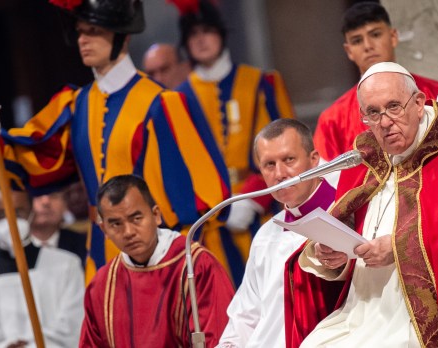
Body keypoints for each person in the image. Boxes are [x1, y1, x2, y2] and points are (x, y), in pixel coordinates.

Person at [286, 62, 438, 347]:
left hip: (422, 311)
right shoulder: (365, 156)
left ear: (418, 103)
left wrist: (397, 248)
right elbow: (346, 222)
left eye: (394, 107)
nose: (385, 122)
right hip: (363, 309)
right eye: (373, 113)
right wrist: (335, 255)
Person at [0, 0, 230, 283]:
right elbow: (34, 159)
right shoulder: (76, 105)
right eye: (80, 31)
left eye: (93, 30)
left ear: (121, 35)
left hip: (159, 259)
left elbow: (204, 195)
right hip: (103, 261)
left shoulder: (162, 103)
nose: (83, 40)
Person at [169, 0, 294, 285]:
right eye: (193, 34)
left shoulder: (260, 82)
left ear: (222, 34)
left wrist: (253, 198)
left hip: (263, 208)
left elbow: (288, 149)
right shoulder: (177, 99)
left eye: (208, 31)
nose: (201, 39)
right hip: (208, 220)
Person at [217, 119, 338, 347]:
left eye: (289, 160)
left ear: (313, 160)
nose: (280, 173)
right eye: (269, 165)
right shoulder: (266, 235)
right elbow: (246, 315)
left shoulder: (345, 212)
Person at [80, 174, 234, 347]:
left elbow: (222, 339)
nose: (128, 232)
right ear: (104, 229)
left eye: (136, 218)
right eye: (116, 224)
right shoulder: (102, 285)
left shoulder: (196, 266)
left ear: (156, 215)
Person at [313, 2, 438, 164]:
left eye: (375, 35)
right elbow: (328, 182)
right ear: (349, 51)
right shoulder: (333, 120)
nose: (368, 46)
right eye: (357, 40)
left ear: (393, 37)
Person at [0, 188, 84, 347]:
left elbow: (73, 324)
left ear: (31, 212)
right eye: (1, 215)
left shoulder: (66, 264)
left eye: (18, 213)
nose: (10, 221)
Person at [30, 190, 87, 268]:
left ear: (65, 204)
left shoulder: (84, 246)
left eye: (54, 195)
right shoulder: (12, 248)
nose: (46, 202)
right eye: (37, 195)